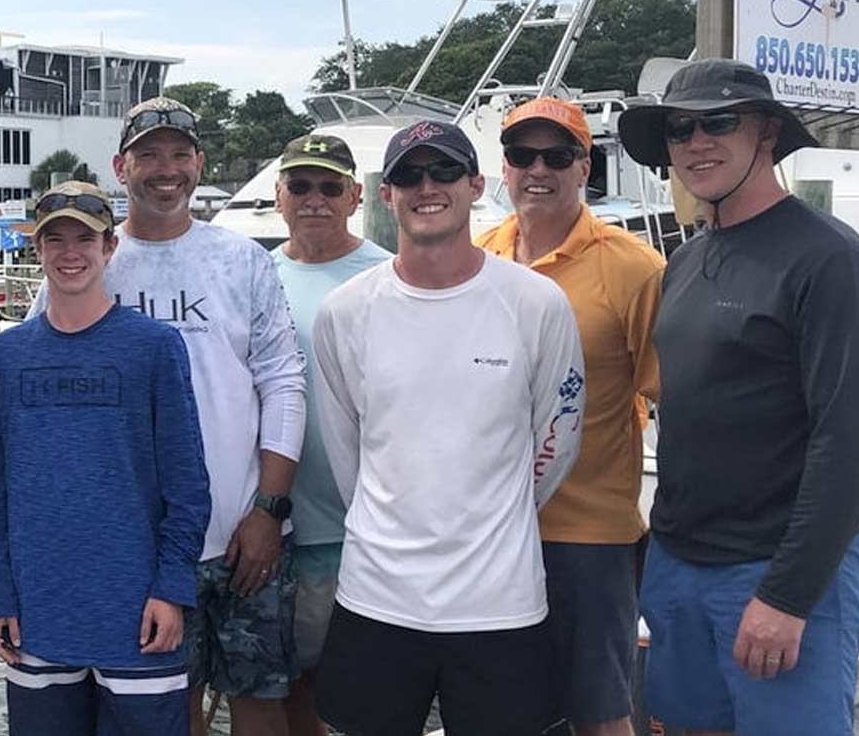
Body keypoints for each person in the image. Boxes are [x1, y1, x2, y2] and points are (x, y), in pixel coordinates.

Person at [616, 59, 859, 736]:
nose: (696, 142)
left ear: (767, 133)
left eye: (719, 122)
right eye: (679, 129)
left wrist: (788, 597)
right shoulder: (683, 261)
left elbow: (850, 446)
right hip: (680, 566)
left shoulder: (831, 260)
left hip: (779, 575)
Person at [34, 97, 309, 735]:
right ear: (120, 165)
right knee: (165, 709)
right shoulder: (91, 258)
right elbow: (41, 367)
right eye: (149, 154)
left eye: (180, 154)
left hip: (245, 532)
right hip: (139, 546)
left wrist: (269, 509)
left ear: (199, 163)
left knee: (260, 701)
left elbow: (284, 383)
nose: (166, 169)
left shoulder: (244, 260)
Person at [311, 119, 586, 736]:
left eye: (443, 171)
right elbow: (345, 451)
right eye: (408, 174)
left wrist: (501, 513)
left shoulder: (537, 303)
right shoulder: (345, 311)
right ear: (385, 194)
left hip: (500, 603)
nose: (425, 186)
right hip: (376, 595)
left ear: (476, 184)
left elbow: (559, 438)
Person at [0, 180, 212, 734]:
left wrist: (171, 588)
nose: (70, 253)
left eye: (86, 238)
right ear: (37, 250)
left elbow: (188, 484)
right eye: (55, 239)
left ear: (110, 249)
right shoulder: (7, 356)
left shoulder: (154, 347)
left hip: (137, 615)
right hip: (38, 613)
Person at [476, 98, 664, 736]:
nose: (538, 169)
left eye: (557, 156)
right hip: (487, 530)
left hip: (589, 535)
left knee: (600, 712)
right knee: (501, 709)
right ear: (502, 168)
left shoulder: (635, 267)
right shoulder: (478, 256)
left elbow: (672, 397)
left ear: (585, 167)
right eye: (521, 155)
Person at [267, 133, 392, 736]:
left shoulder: (389, 275)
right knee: (290, 683)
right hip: (276, 526)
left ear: (354, 195)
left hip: (366, 528)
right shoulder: (256, 275)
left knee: (370, 695)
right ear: (279, 196)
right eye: (300, 185)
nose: (313, 199)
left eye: (328, 186)